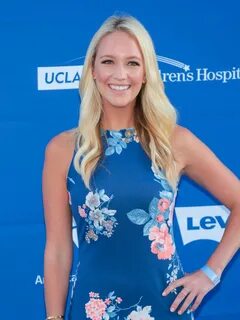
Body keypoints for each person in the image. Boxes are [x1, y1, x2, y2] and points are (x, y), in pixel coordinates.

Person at [42, 14, 240, 320]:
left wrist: (210, 274)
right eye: (108, 61)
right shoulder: (62, 149)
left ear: (146, 72)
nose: (120, 74)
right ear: (92, 70)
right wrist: (53, 318)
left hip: (164, 308)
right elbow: (57, 247)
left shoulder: (174, 141)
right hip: (92, 310)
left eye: (132, 63)